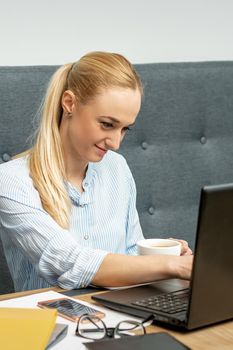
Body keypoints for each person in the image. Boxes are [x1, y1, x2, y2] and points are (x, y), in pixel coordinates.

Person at [0, 51, 193, 292]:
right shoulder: (12, 181)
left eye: (125, 129)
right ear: (69, 103)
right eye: (107, 124)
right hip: (50, 322)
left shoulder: (117, 167)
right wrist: (171, 266)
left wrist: (163, 255)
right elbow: (69, 262)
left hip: (122, 317)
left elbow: (131, 253)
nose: (115, 143)